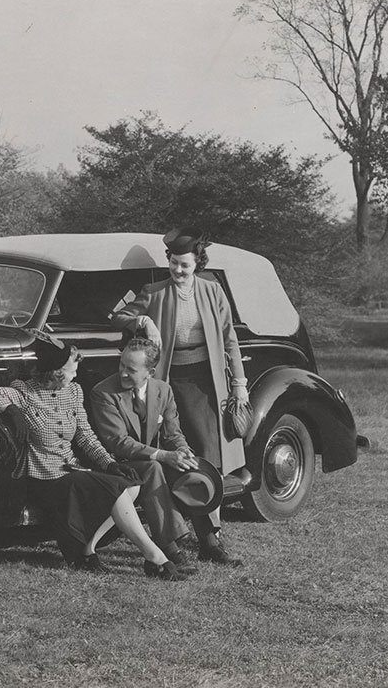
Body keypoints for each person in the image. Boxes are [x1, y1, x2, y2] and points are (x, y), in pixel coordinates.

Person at [0, 331, 191, 581]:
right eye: (73, 367)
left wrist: (108, 463)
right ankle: (155, 557)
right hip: (43, 477)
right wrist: (9, 408)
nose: (77, 372)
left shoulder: (74, 392)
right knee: (115, 491)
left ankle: (86, 551)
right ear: (57, 371)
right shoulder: (24, 392)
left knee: (130, 487)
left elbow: (85, 437)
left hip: (71, 470)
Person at [112, 227, 252, 565]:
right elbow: (118, 315)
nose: (178, 271)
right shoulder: (154, 292)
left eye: (185, 265)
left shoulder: (213, 292)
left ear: (197, 264)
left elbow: (230, 339)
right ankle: (177, 537)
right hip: (167, 383)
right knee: (174, 454)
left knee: (207, 457)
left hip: (207, 384)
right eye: (174, 264)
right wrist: (143, 318)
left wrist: (240, 384)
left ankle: (211, 540)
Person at [89, 337, 198, 566]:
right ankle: (169, 546)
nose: (123, 373)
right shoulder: (103, 393)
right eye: (121, 365)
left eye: (131, 369)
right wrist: (164, 455)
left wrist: (182, 451)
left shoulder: (163, 390)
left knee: (196, 465)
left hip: (150, 460)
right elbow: (117, 442)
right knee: (154, 467)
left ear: (150, 371)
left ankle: (210, 543)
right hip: (116, 463)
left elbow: (172, 433)